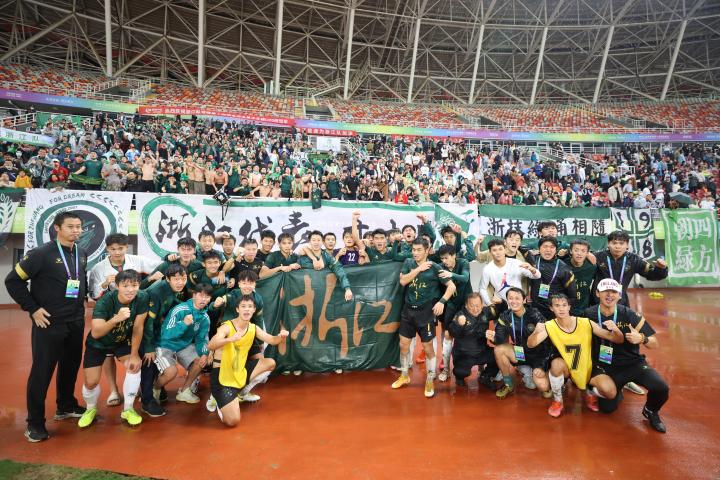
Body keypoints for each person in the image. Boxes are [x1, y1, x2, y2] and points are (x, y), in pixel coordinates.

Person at [5, 212, 88, 442]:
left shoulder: (81, 253)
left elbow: (79, 280)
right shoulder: (41, 254)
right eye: (70, 226)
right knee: (42, 372)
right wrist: (32, 309)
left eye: (79, 227)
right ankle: (34, 423)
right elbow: (13, 281)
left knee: (70, 366)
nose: (76, 231)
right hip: (50, 322)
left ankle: (65, 406)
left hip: (75, 321)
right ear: (57, 228)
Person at [584, 279, 670, 433]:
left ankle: (651, 410)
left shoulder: (629, 315)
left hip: (632, 363)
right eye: (605, 291)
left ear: (619, 295)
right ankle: (616, 390)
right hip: (605, 366)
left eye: (614, 292)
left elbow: (654, 343)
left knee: (661, 387)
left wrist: (642, 338)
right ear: (597, 293)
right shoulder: (588, 314)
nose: (609, 295)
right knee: (607, 409)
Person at [88, 233, 160, 407]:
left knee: (134, 357)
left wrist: (152, 278)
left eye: (120, 248)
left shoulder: (137, 261)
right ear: (107, 249)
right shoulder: (98, 268)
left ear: (126, 247)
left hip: (131, 315)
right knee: (108, 354)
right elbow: (92, 294)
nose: (117, 252)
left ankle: (135, 393)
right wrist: (104, 284)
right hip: (109, 316)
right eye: (113, 249)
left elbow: (159, 266)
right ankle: (114, 390)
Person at [527, 293, 623, 418]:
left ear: (569, 307)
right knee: (556, 365)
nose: (561, 309)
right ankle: (558, 401)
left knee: (610, 392)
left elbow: (617, 339)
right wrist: (535, 332)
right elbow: (531, 344)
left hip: (587, 367)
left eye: (564, 305)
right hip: (567, 368)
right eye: (557, 305)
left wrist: (616, 330)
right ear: (551, 308)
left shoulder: (586, 323)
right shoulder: (549, 326)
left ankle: (590, 391)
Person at [77, 270, 147, 428]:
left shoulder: (142, 297)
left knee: (134, 366)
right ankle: (90, 409)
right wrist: (116, 319)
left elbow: (138, 327)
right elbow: (96, 332)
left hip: (122, 341)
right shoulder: (105, 301)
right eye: (125, 286)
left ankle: (128, 409)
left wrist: (134, 354)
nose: (130, 290)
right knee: (91, 382)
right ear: (117, 286)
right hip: (99, 343)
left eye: (134, 285)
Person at [206, 295, 289, 426]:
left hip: (239, 372)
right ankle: (219, 401)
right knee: (233, 421)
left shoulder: (253, 328)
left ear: (254, 310)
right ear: (237, 309)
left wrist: (281, 336)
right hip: (222, 375)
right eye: (243, 306)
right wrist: (230, 339)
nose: (247, 309)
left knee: (270, 363)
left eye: (250, 306)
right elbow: (211, 345)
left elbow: (272, 340)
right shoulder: (227, 326)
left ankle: (242, 391)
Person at [392, 238, 456, 398]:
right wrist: (419, 269)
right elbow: (403, 281)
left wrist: (442, 302)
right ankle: (404, 375)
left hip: (425, 313)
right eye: (413, 249)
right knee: (403, 345)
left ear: (427, 251)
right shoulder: (408, 262)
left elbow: (451, 286)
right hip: (408, 311)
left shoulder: (435, 267)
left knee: (428, 347)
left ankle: (430, 378)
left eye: (419, 250)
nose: (415, 253)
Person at [140, 264, 188, 417]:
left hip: (154, 330)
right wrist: (149, 347)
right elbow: (147, 322)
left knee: (155, 364)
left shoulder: (170, 290)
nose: (180, 282)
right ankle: (147, 401)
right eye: (176, 279)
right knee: (149, 363)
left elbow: (172, 301)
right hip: (142, 331)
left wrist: (189, 306)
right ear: (167, 279)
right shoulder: (157, 291)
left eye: (183, 278)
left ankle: (155, 390)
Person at [154, 283, 213, 405]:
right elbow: (166, 334)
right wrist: (184, 324)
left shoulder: (205, 317)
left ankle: (184, 391)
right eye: (201, 295)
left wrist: (204, 353)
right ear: (194, 295)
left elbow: (202, 339)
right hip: (165, 344)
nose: (203, 299)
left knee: (200, 361)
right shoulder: (180, 309)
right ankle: (154, 389)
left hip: (182, 346)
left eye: (207, 297)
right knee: (172, 372)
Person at [490, 287, 551, 399]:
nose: (513, 301)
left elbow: (548, 342)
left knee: (544, 388)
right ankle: (508, 384)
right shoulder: (505, 316)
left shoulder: (534, 314)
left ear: (524, 300)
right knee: (499, 349)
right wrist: (492, 338)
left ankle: (540, 374)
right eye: (510, 298)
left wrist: (543, 365)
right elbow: (499, 339)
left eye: (517, 298)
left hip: (538, 355)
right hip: (520, 352)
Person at [593, 230, 668, 306]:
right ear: (608, 244)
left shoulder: (634, 259)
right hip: (597, 301)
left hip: (621, 302)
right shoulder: (597, 257)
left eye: (621, 243)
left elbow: (652, 274)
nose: (617, 246)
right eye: (614, 243)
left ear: (627, 245)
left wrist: (661, 269)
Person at [447, 293, 498, 390]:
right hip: (464, 355)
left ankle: (485, 376)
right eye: (472, 306)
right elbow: (452, 333)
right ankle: (459, 377)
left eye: (478, 305)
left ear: (482, 305)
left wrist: (501, 302)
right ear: (466, 305)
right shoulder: (460, 315)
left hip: (481, 352)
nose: (475, 309)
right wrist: (458, 325)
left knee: (498, 355)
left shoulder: (486, 312)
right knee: (461, 372)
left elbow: (500, 312)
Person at [436, 244, 472, 382]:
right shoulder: (440, 267)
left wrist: (451, 274)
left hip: (466, 304)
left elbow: (465, 278)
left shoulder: (463, 262)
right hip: (450, 304)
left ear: (454, 256)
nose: (444, 261)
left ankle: (479, 366)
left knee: (469, 334)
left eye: (446, 258)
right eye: (442, 258)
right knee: (447, 334)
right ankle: (446, 369)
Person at [479, 239, 540, 307]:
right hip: (501, 305)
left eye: (500, 249)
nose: (498, 252)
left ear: (505, 250)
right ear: (490, 252)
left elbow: (537, 276)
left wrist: (532, 269)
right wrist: (489, 304)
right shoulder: (487, 269)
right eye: (494, 250)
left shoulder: (516, 263)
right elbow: (482, 288)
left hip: (519, 303)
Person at [527, 237, 577, 320]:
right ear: (539, 248)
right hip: (535, 309)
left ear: (556, 250)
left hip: (555, 311)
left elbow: (572, 295)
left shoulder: (563, 267)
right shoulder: (532, 262)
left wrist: (564, 312)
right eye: (545, 246)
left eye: (552, 247)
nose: (548, 250)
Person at [299, 230, 353, 302]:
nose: (316, 242)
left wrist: (347, 288)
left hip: (324, 295)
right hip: (307, 294)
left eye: (319, 240)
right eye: (313, 240)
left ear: (322, 242)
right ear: (309, 242)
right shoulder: (303, 257)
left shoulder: (328, 257)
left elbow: (339, 270)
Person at [564, 239, 596, 315]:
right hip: (565, 309)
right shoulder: (563, 265)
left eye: (583, 251)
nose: (579, 253)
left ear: (587, 253)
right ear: (570, 251)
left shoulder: (592, 266)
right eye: (576, 250)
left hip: (584, 309)